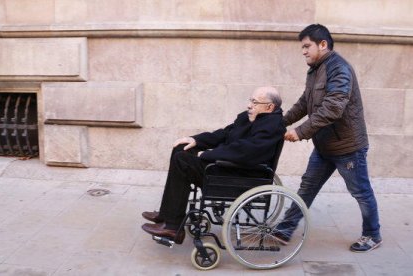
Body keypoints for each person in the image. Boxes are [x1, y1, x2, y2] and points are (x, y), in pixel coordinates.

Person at [275, 24, 382, 252]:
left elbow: (334, 107)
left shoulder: (339, 69)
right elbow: (306, 102)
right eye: (302, 47)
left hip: (347, 147)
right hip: (324, 146)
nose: (303, 51)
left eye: (307, 46)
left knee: (361, 192)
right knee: (307, 187)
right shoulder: (315, 69)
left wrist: (300, 131)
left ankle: (373, 235)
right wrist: (280, 122)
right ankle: (285, 228)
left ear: (323, 44)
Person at [141, 86, 286, 244]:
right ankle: (167, 214)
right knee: (182, 149)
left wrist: (208, 155)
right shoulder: (249, 117)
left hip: (241, 177)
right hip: (228, 168)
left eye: (255, 102)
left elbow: (245, 152)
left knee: (182, 161)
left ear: (269, 107)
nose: (249, 105)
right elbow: (224, 134)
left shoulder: (273, 126)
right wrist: (196, 140)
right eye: (250, 100)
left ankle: (173, 227)